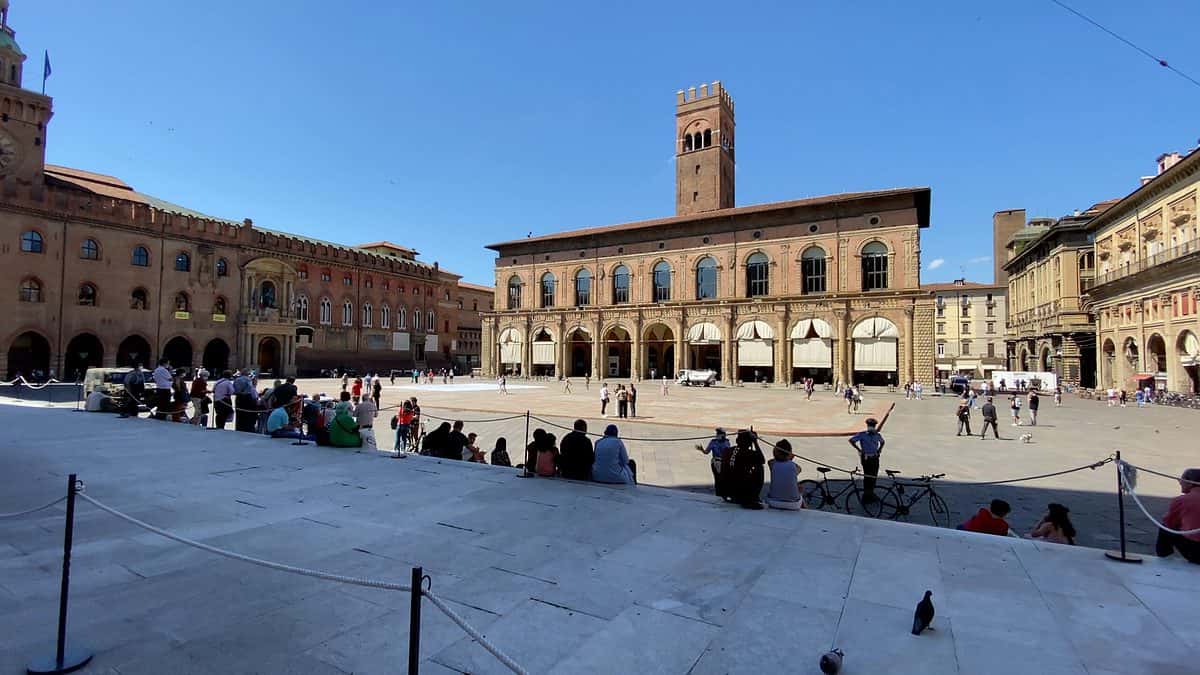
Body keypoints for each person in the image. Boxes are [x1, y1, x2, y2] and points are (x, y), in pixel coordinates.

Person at [1156, 468, 1200, 564]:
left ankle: (1164, 560)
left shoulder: (1181, 500)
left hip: (1196, 553)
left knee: (1165, 527)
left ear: (1189, 482)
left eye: (1182, 479)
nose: (1180, 482)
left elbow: (1170, 524)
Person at [848, 418, 884, 502]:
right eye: (870, 426)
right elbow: (851, 440)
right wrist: (859, 450)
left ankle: (871, 494)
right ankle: (866, 496)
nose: (872, 427)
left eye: (873, 426)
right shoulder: (862, 434)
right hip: (866, 458)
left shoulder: (877, 435)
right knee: (867, 477)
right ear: (867, 426)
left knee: (874, 476)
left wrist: (879, 450)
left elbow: (882, 442)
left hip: (875, 458)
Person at [729, 430, 765, 509]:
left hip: (729, 492)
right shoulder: (749, 453)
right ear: (749, 442)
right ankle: (752, 498)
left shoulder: (728, 450)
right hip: (740, 492)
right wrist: (755, 442)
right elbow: (762, 460)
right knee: (760, 467)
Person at [763, 439, 802, 510]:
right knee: (799, 490)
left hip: (773, 502)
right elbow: (798, 470)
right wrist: (790, 459)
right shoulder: (794, 466)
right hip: (793, 505)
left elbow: (771, 461)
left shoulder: (772, 464)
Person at [698, 428, 731, 497]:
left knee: (723, 479)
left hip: (723, 462)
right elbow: (706, 452)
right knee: (718, 478)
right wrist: (701, 449)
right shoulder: (714, 442)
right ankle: (718, 494)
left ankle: (723, 493)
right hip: (716, 462)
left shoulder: (726, 442)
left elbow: (728, 453)